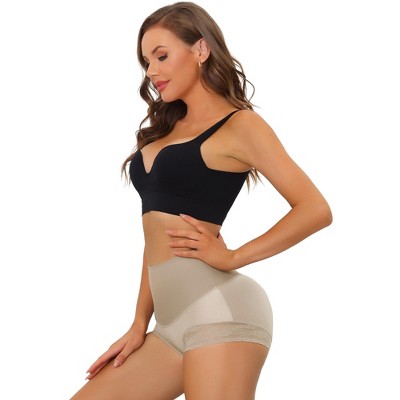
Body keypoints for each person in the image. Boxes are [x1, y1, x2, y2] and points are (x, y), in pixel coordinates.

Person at [70, 2, 332, 399]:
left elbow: (315, 209)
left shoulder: (242, 125)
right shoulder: (165, 128)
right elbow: (158, 236)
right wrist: (139, 322)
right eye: (146, 61)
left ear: (201, 49)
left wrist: (234, 256)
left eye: (161, 56)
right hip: (168, 324)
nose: (151, 71)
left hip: (221, 309)